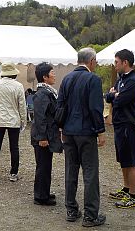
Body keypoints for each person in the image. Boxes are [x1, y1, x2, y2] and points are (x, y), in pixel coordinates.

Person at [57, 47, 106, 227]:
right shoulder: (93, 79)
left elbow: (60, 105)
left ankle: (71, 209)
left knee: (71, 170)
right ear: (91, 61)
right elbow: (95, 108)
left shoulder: (66, 79)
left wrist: (61, 128)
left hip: (68, 131)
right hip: (86, 132)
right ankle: (90, 215)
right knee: (90, 172)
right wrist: (100, 131)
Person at [105, 49, 135, 208]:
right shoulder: (120, 80)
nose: (115, 65)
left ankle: (133, 196)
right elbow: (108, 97)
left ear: (125, 62)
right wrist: (114, 95)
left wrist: (115, 96)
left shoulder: (134, 81)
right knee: (123, 159)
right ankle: (126, 189)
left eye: (116, 62)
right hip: (119, 125)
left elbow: (120, 101)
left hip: (128, 124)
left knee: (131, 160)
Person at [0, 63, 26, 181]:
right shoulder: (18, 86)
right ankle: (13, 173)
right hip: (14, 119)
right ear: (14, 73)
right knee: (14, 147)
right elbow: (22, 105)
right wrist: (23, 120)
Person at [31, 62, 63, 205]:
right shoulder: (42, 94)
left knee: (46, 165)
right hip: (42, 137)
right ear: (44, 77)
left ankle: (44, 192)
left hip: (47, 135)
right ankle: (40, 197)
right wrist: (42, 137)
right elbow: (40, 117)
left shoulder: (47, 92)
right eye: (52, 72)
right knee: (43, 166)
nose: (54, 75)